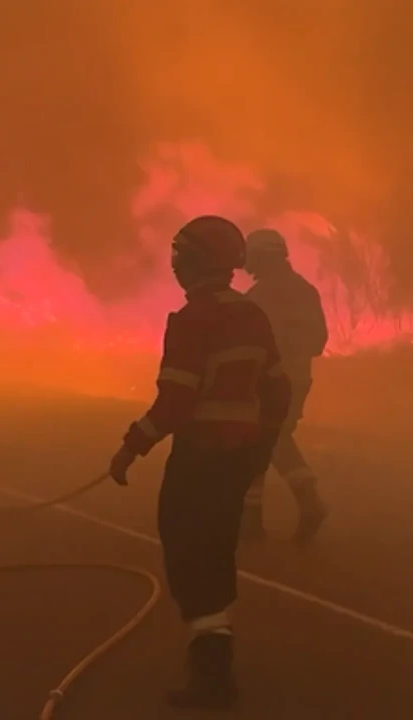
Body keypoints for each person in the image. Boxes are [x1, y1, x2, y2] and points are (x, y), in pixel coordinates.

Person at [108, 215, 291, 710]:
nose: (175, 268)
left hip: (199, 461)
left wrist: (131, 447)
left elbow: (175, 404)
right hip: (234, 463)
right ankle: (215, 662)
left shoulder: (192, 321)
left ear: (199, 262)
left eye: (180, 258)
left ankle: (212, 676)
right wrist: (262, 445)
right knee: (215, 551)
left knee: (189, 557)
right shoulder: (253, 316)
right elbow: (278, 388)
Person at [240, 228, 329, 545]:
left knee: (261, 441)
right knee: (273, 440)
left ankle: (307, 504)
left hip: (266, 381)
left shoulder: (259, 296)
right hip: (299, 378)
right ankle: (256, 521)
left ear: (261, 257)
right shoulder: (305, 290)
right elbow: (319, 342)